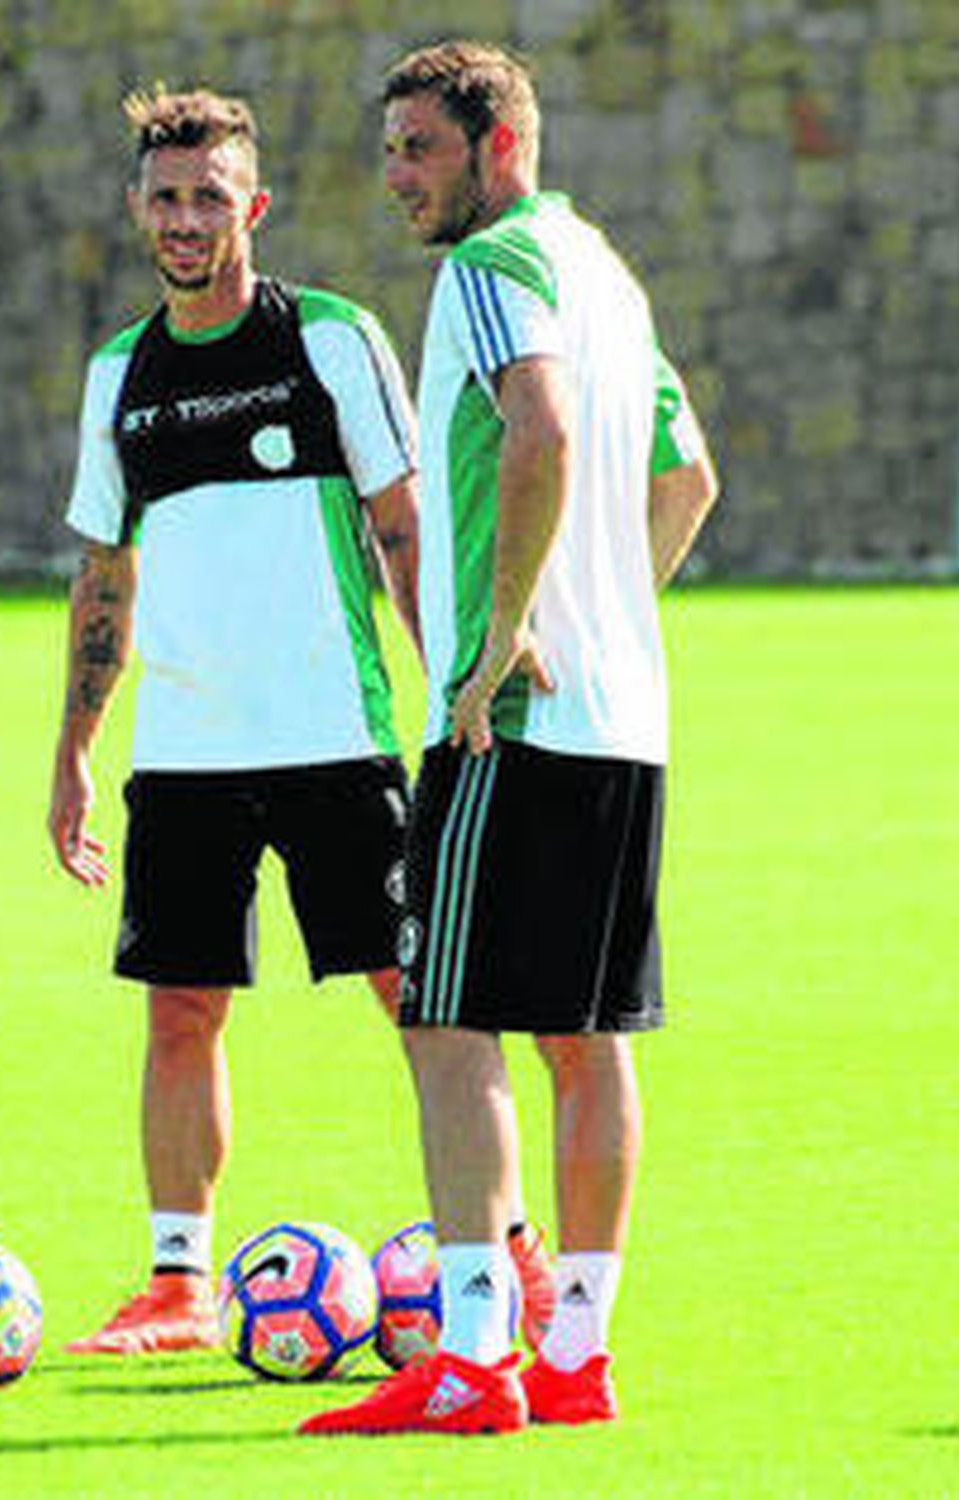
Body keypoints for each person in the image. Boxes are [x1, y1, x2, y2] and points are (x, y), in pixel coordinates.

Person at [47, 86, 554, 1357]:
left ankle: (511, 1255)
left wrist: (458, 690)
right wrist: (73, 748)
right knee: (180, 1010)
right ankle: (178, 1282)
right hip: (184, 752)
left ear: (252, 207)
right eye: (163, 197)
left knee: (418, 998)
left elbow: (400, 528)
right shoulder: (118, 375)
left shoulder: (329, 338)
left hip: (336, 736)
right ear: (134, 210)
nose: (183, 218)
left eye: (208, 196)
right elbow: (104, 574)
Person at [302, 42, 719, 1436]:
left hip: (512, 723)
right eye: (392, 153)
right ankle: (578, 1355)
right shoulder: (606, 271)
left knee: (445, 1020)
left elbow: (535, 433)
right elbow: (689, 477)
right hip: (624, 715)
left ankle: (477, 1359)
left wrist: (497, 634)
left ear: (499, 145)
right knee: (586, 1039)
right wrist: (603, 610)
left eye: (420, 149)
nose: (397, 180)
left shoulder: (490, 272)